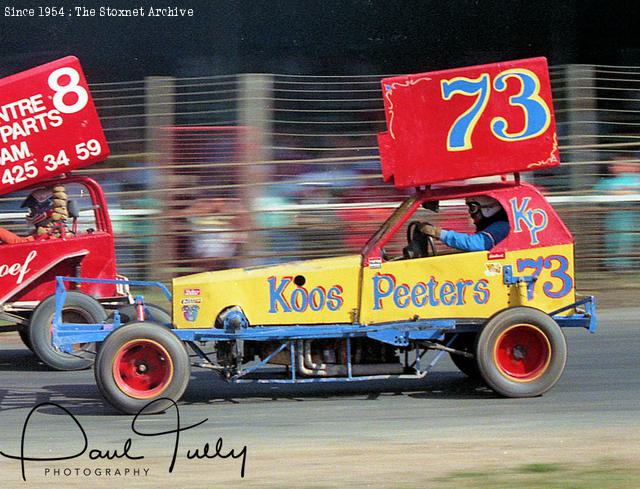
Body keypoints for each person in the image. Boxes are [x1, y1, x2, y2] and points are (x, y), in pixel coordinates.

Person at [420, 195, 509, 252]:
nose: (470, 214)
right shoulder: (497, 226)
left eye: (472, 208)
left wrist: (438, 233)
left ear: (488, 208)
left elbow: (475, 243)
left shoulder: (502, 226)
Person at [0, 187, 65, 244]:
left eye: (33, 209)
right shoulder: (52, 229)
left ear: (45, 209)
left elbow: (19, 243)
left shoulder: (51, 231)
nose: (30, 213)